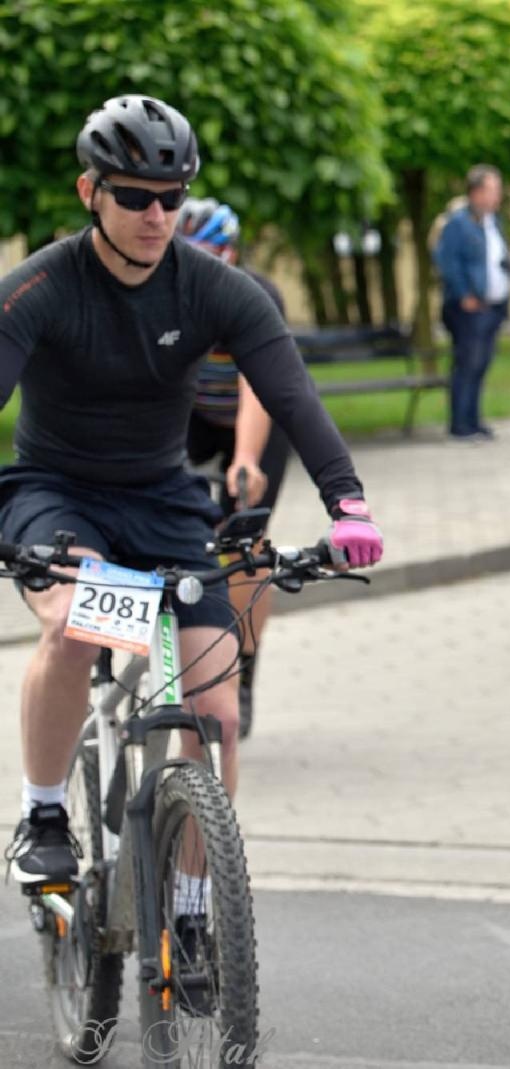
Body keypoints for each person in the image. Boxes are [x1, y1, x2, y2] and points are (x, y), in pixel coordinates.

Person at [1, 96, 383, 900]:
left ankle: (192, 909)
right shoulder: (39, 286)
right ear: (89, 193)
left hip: (166, 501)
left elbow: (292, 396)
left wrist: (346, 504)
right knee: (75, 626)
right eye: (134, 196)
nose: (155, 214)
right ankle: (41, 814)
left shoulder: (218, 288)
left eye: (171, 197)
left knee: (219, 711)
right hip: (57, 494)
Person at [176, 197, 299, 740]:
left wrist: (246, 461)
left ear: (228, 253)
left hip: (257, 415)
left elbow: (257, 387)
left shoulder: (253, 295)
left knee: (244, 541)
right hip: (196, 412)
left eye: (205, 254)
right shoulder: (166, 292)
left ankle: (244, 669)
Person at [434, 164, 510, 442]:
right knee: (466, 364)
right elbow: (447, 261)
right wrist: (463, 294)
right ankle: (460, 425)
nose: (498, 196)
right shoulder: (458, 223)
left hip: (493, 306)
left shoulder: (494, 222)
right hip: (468, 308)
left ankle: (474, 420)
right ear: (476, 192)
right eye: (493, 190)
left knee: (481, 364)